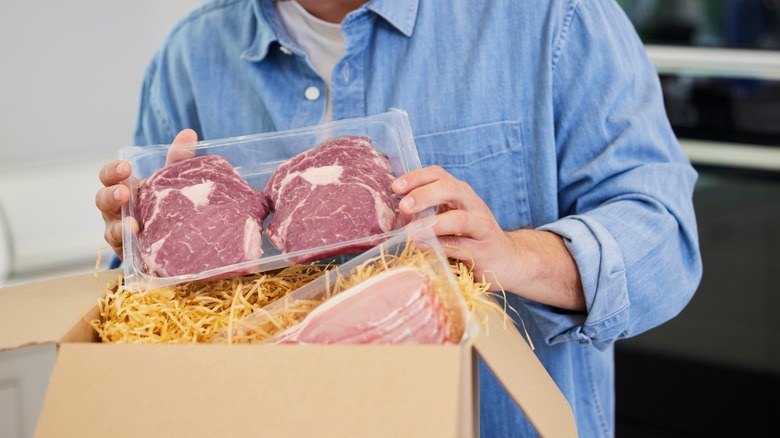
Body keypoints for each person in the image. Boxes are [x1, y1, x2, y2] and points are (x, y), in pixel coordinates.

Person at [95, 0, 703, 436]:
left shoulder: (552, 16)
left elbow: (665, 241)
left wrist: (513, 255)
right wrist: (144, 238)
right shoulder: (191, 55)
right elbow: (149, 304)